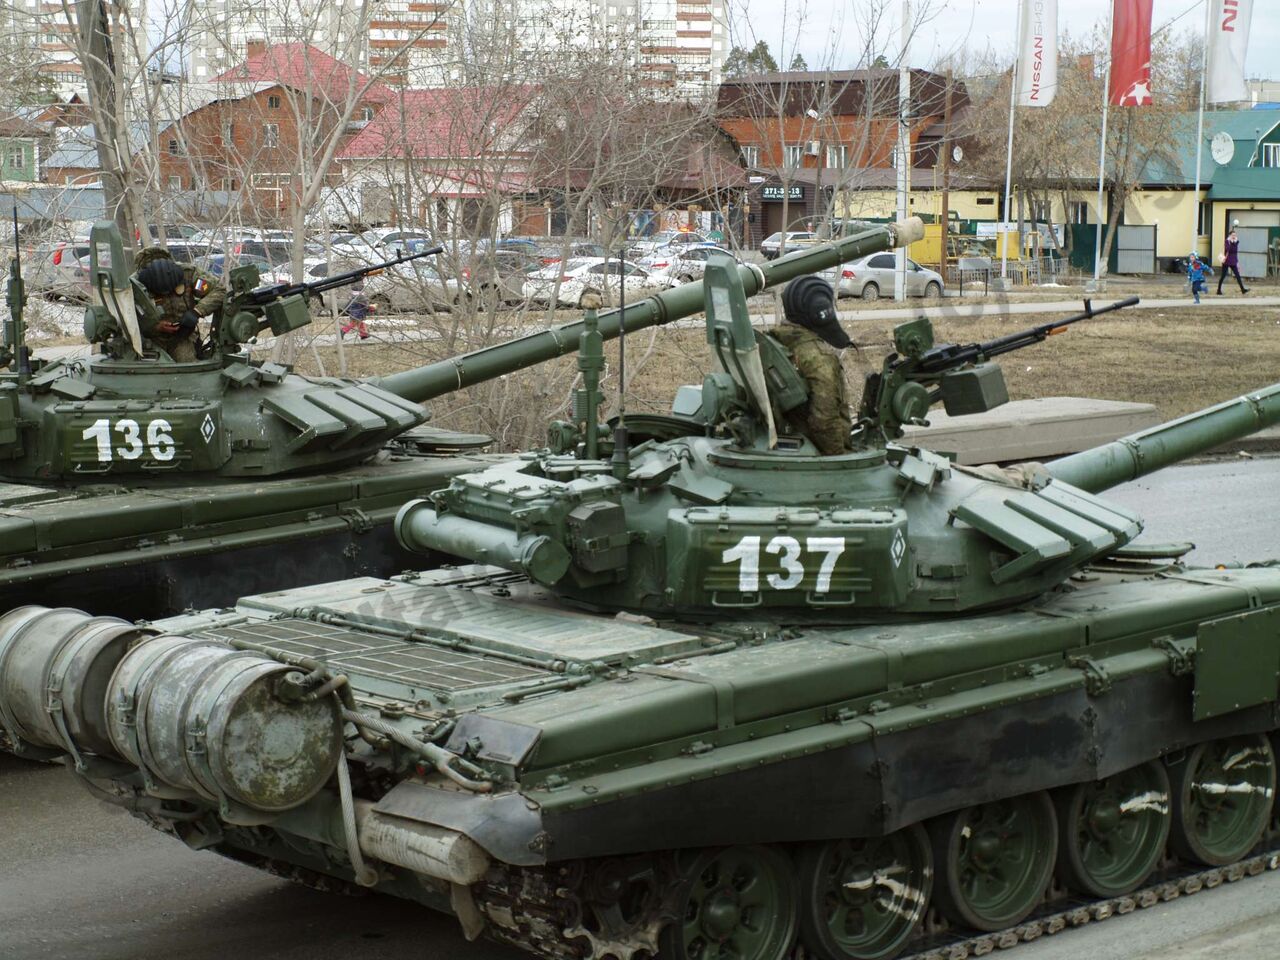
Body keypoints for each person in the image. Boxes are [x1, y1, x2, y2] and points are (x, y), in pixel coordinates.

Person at [768, 275, 854, 455]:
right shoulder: (819, 358)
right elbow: (825, 421)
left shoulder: (777, 343)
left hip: (795, 442)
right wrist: (842, 458)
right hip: (818, 452)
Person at [133, 246, 225, 361]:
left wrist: (196, 312)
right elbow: (127, 318)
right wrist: (155, 327)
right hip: (150, 340)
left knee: (187, 363)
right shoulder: (135, 287)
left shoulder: (188, 275)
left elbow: (218, 290)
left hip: (183, 337)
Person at [1217, 223, 1249, 296]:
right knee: (1223, 276)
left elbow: (1235, 252)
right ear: (1230, 235)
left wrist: (1237, 263)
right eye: (1233, 235)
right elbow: (1228, 249)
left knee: (1238, 275)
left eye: (1235, 235)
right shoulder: (1227, 241)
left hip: (1233, 261)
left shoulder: (1236, 242)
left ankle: (1243, 289)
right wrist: (1231, 242)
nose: (1234, 236)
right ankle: (1218, 290)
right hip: (1227, 261)